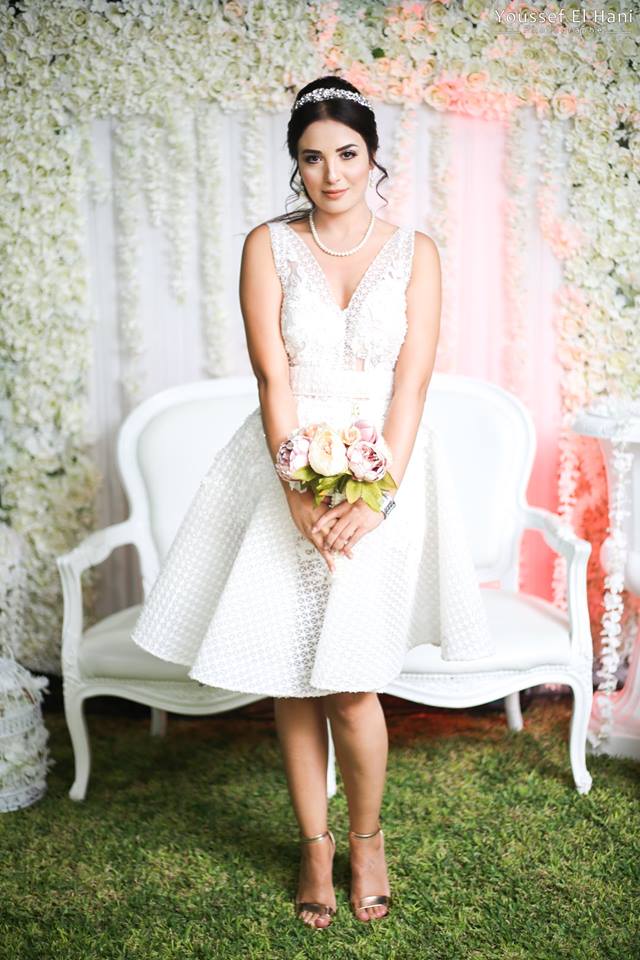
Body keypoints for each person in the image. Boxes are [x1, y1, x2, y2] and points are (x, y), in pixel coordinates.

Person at [131, 75, 495, 930]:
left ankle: (367, 840)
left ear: (373, 157)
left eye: (347, 154)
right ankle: (313, 843)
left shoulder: (417, 253)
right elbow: (274, 378)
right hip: (285, 467)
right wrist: (296, 493)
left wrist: (378, 501)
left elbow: (411, 387)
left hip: (383, 472)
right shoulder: (268, 245)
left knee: (353, 680)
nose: (331, 173)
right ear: (296, 165)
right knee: (292, 675)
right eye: (312, 157)